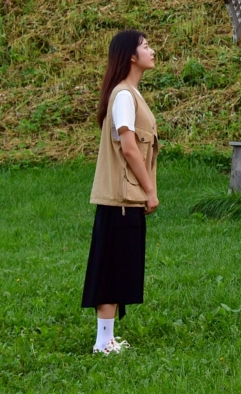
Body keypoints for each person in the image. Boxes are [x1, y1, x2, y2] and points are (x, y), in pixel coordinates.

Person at [82, 30, 159, 355]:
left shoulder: (131, 94)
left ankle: (108, 338)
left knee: (118, 266)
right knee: (111, 268)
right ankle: (103, 342)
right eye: (145, 46)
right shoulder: (125, 96)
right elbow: (129, 148)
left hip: (124, 198)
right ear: (131, 55)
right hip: (122, 198)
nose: (152, 51)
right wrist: (150, 190)